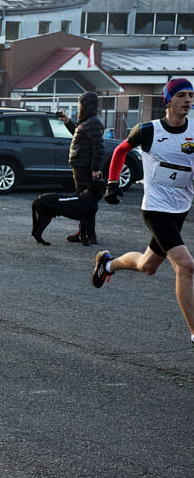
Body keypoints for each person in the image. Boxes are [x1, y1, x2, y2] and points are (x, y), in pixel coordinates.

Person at [92, 78, 194, 348]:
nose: (188, 100)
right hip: (155, 209)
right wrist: (112, 183)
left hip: (181, 208)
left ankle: (108, 264)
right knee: (186, 267)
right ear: (167, 100)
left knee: (148, 266)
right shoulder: (148, 130)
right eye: (181, 95)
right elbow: (120, 150)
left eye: (191, 96)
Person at [57, 91, 105, 243]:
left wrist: (95, 169)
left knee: (85, 202)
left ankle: (88, 234)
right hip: (81, 165)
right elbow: (80, 133)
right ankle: (87, 233)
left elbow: (99, 147)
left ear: (85, 105)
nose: (78, 107)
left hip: (85, 166)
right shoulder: (88, 121)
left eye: (80, 104)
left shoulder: (93, 122)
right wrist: (67, 121)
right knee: (86, 201)